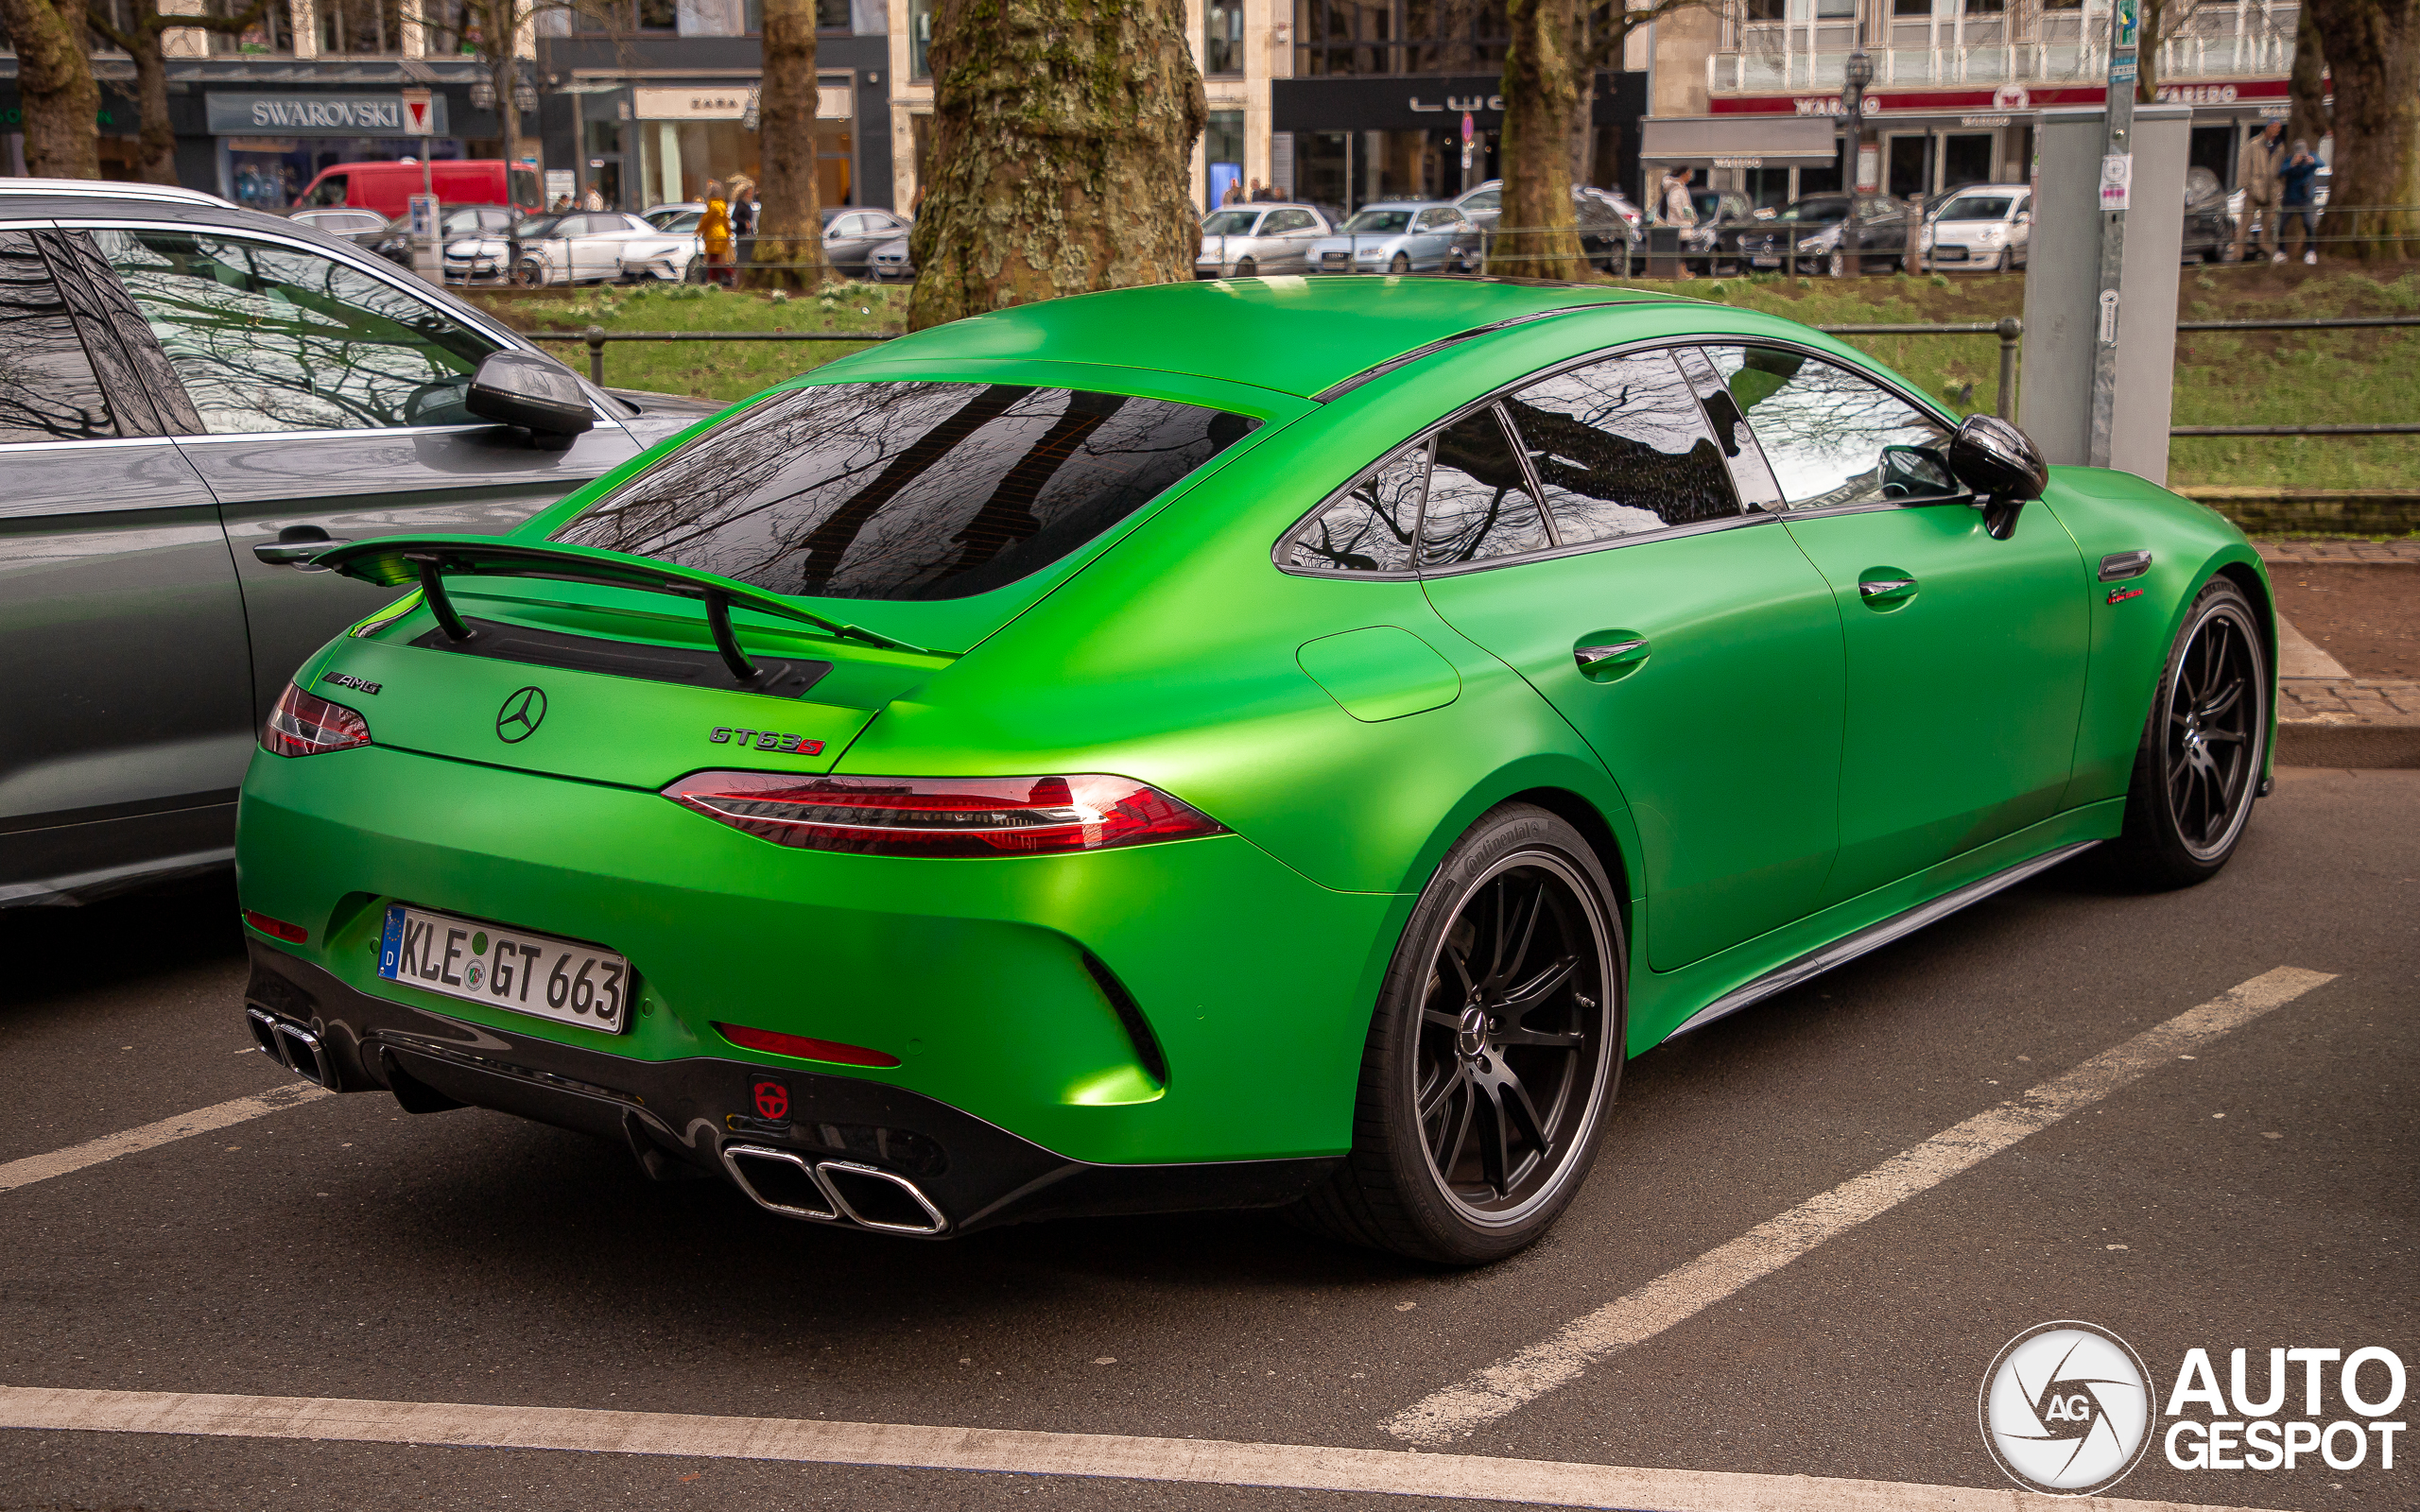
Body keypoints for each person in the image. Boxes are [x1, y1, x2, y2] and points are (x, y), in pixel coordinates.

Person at [2233, 120, 2286, 263]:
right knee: (2245, 224)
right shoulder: (2253, 144)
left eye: (2279, 128)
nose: (2277, 130)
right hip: (2254, 189)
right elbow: (2244, 166)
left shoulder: (2280, 147)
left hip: (2272, 190)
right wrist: (2246, 186)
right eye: (2274, 127)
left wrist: (2279, 187)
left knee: (2268, 222)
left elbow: (2281, 169)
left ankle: (2265, 249)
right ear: (2267, 127)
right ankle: (2238, 254)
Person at [2279, 141, 2323, 264]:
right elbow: (2280, 172)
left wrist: (2311, 161)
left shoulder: (2312, 157)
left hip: (2306, 198)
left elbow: (2322, 164)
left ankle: (2311, 251)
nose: (2302, 157)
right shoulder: (2289, 160)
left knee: (2309, 224)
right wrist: (2292, 164)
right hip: (2291, 198)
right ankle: (2281, 252)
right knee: (2281, 225)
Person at [700, 181, 735, 286]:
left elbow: (706, 220)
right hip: (721, 235)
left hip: (714, 236)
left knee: (713, 260)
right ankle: (713, 279)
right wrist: (728, 232)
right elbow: (725, 221)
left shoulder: (713, 206)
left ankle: (730, 273)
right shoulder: (722, 205)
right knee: (713, 259)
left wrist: (698, 230)